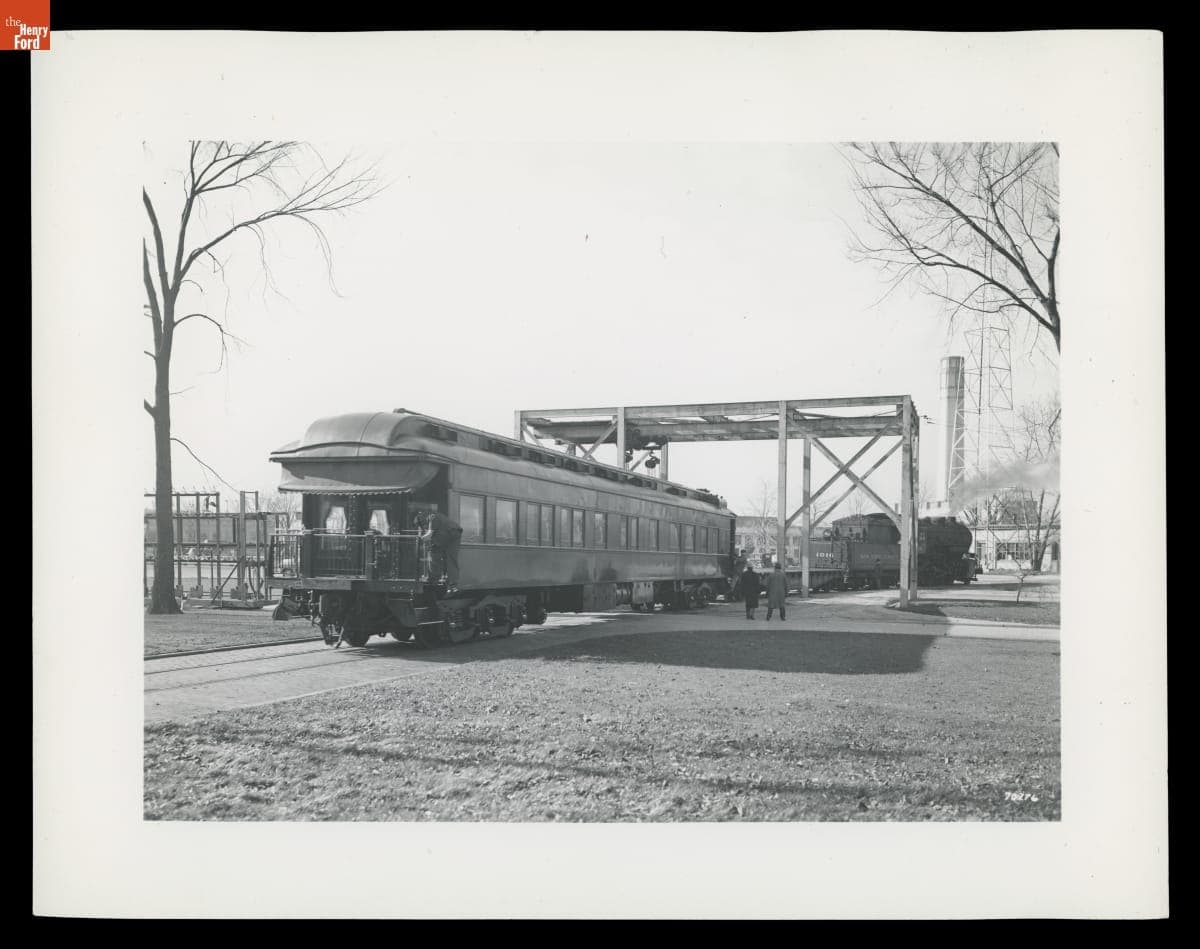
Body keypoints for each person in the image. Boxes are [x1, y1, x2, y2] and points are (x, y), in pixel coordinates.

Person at [414, 510, 463, 591]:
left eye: (422, 525)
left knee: (439, 555)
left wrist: (419, 539)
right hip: (451, 534)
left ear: (422, 520)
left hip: (449, 535)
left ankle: (436, 580)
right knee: (446, 557)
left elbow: (429, 535)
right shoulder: (431, 517)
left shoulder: (432, 518)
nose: (423, 527)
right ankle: (448, 583)